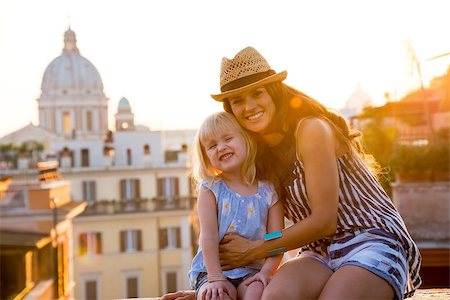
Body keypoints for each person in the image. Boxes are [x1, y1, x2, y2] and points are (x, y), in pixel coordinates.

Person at [159, 46, 422, 300]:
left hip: (371, 239)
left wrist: (255, 249)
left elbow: (324, 220)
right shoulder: (258, 155)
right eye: (238, 100)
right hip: (319, 251)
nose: (249, 106)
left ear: (273, 92)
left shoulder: (311, 129)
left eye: (257, 93)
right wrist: (218, 286)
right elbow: (271, 232)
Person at [187, 111, 284, 300]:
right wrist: (215, 278)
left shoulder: (269, 191)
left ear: (246, 140)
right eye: (212, 145)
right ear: (206, 157)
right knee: (216, 296)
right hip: (212, 271)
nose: (221, 148)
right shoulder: (211, 189)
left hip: (252, 270)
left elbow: (276, 238)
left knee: (258, 292)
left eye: (228, 139)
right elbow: (208, 236)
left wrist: (267, 272)